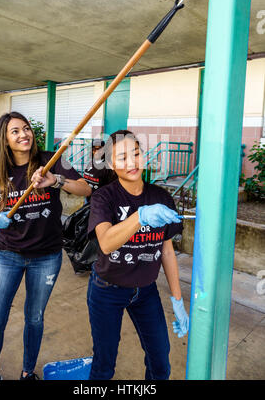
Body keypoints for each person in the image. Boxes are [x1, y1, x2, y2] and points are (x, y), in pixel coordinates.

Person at [0, 111, 91, 380]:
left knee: (34, 319)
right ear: (5, 140)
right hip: (7, 255)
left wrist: (57, 180)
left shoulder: (50, 160)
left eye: (26, 128)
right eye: (15, 131)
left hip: (46, 257)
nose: (24, 134)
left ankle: (28, 373)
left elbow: (86, 189)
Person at [87, 130, 189, 380]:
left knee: (160, 361)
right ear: (111, 164)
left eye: (136, 154)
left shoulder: (161, 197)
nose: (132, 163)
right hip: (107, 290)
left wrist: (177, 299)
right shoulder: (104, 197)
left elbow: (166, 250)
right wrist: (140, 217)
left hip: (146, 291)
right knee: (104, 364)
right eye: (122, 158)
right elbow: (107, 243)